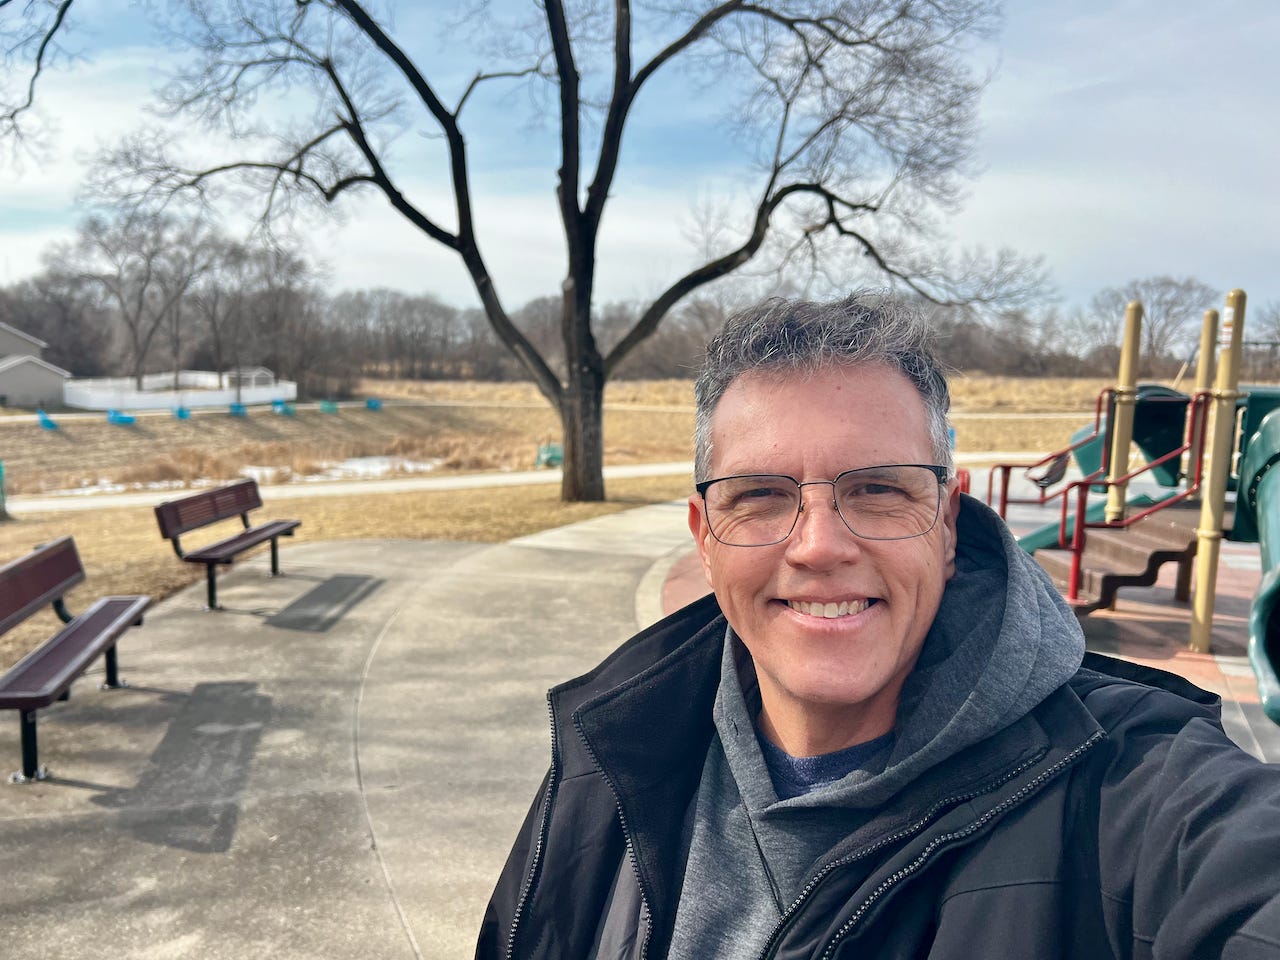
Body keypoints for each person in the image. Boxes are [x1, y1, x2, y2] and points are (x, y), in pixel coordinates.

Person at [476, 293, 1280, 960]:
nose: (819, 546)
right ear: (705, 537)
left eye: (878, 490)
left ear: (948, 523)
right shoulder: (608, 755)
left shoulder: (1132, 787)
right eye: (760, 495)